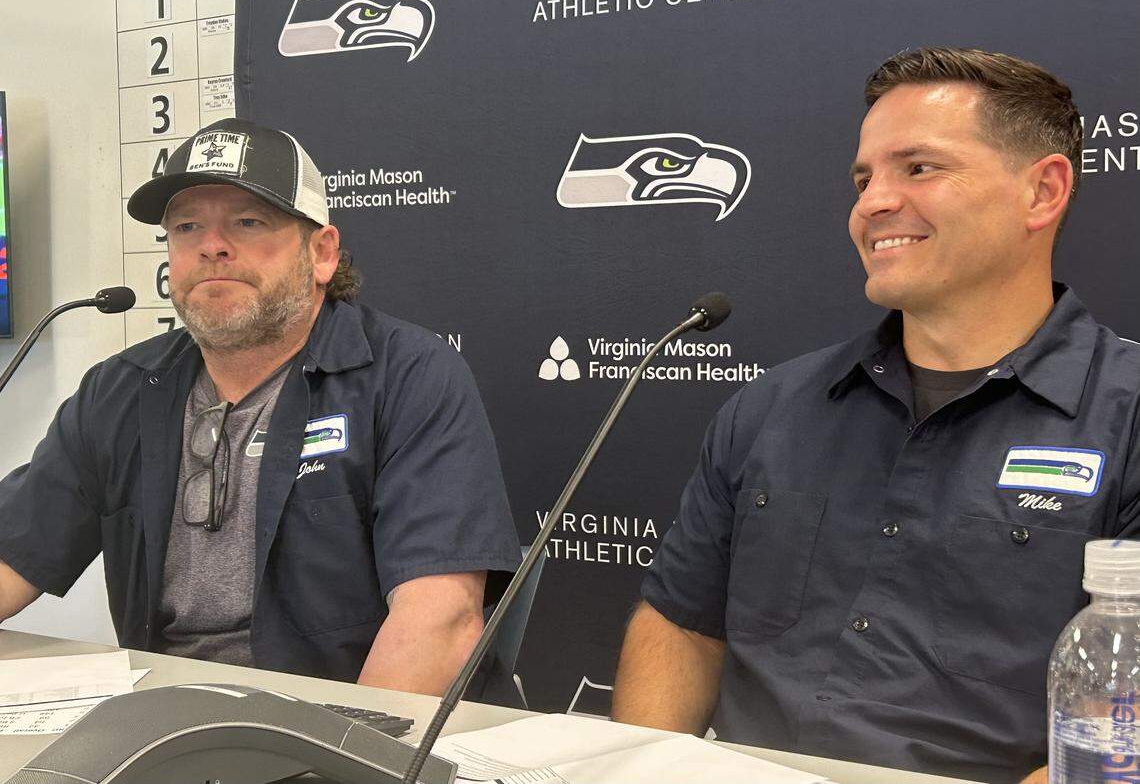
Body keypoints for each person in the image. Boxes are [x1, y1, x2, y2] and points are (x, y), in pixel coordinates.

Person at [612, 47, 1140, 784]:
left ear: (1042, 191)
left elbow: (1120, 733)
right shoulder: (771, 407)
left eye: (918, 168)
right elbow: (682, 625)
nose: (871, 202)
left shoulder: (1128, 416)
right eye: (864, 178)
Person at [0, 118, 521, 696]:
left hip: (349, 721)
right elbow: (12, 557)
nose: (211, 245)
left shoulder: (409, 374)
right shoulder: (119, 389)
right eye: (187, 226)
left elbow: (441, 620)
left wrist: (339, 757)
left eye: (248, 222)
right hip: (169, 719)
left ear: (322, 253)